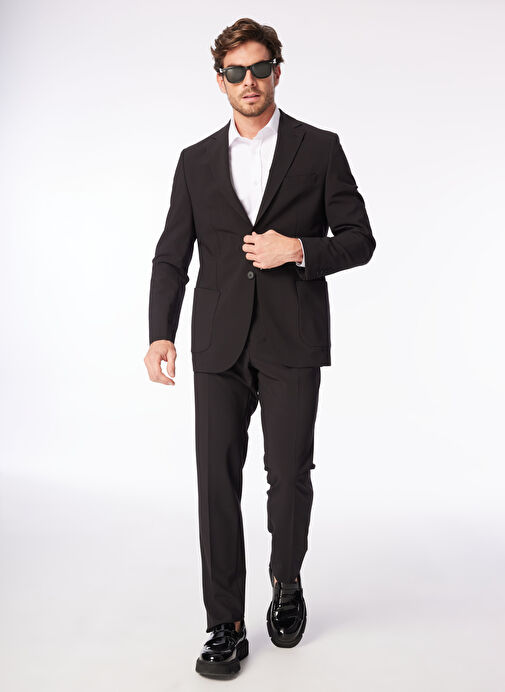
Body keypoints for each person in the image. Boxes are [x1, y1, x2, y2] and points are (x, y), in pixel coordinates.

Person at [144, 17, 376, 679]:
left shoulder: (318, 148)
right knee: (214, 482)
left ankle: (286, 581)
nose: (249, 81)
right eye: (235, 72)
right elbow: (171, 255)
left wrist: (297, 249)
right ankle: (225, 623)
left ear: (277, 69)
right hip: (217, 344)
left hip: (291, 339)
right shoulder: (194, 161)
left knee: (288, 475)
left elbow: (359, 239)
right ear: (219, 80)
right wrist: (160, 332)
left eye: (259, 68)